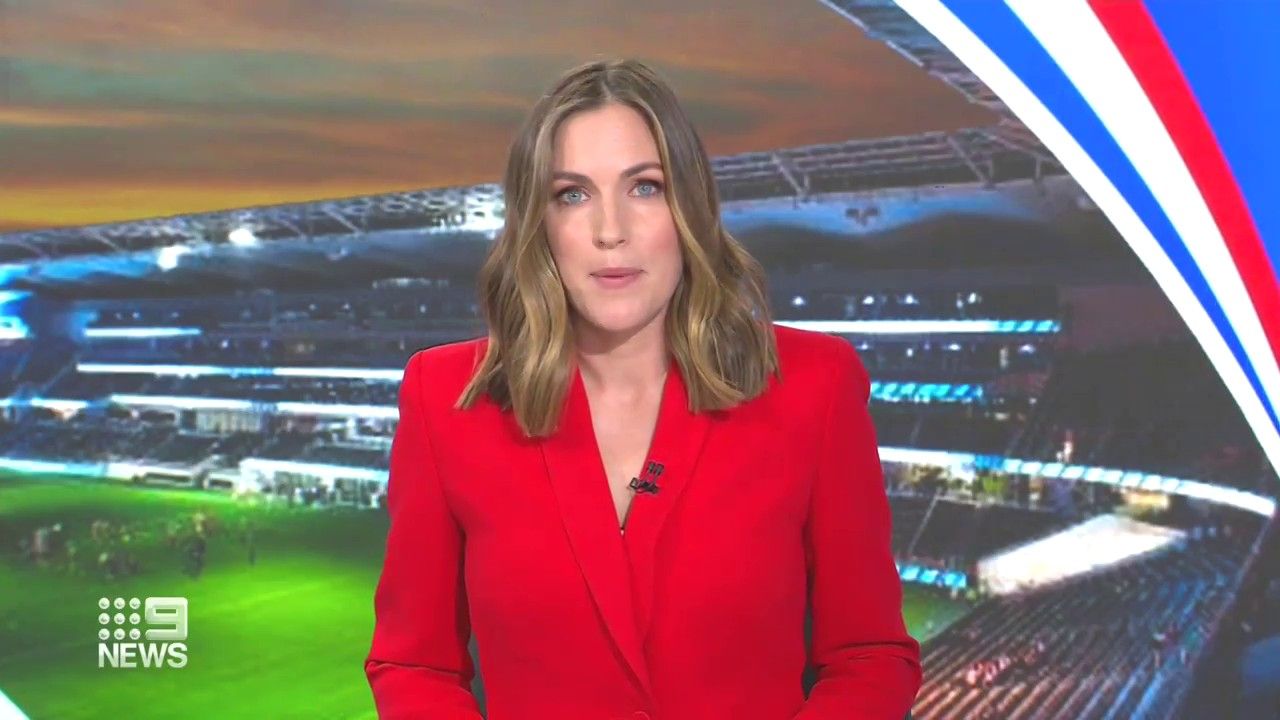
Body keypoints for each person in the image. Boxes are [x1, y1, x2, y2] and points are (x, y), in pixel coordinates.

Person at [364, 59, 921, 720]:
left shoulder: (813, 384)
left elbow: (868, 655)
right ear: (538, 222)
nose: (611, 230)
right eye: (572, 194)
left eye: (645, 187)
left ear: (689, 207)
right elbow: (415, 665)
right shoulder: (446, 397)